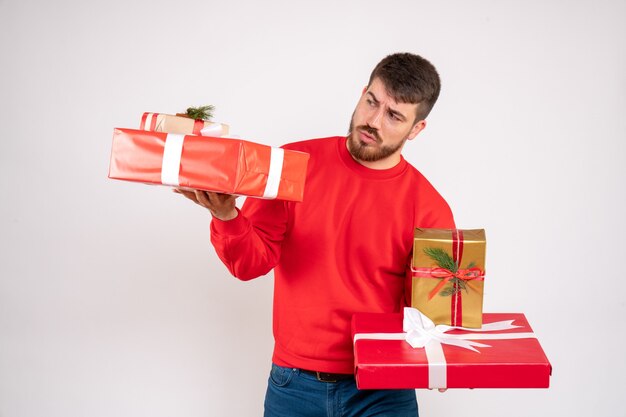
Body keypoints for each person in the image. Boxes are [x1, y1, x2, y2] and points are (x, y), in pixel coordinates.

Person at [175, 52, 455, 417]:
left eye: (394, 116)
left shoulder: (430, 208)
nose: (373, 120)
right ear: (362, 93)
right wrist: (226, 214)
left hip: (383, 389)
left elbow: (431, 313)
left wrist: (441, 353)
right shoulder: (294, 163)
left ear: (416, 129)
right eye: (371, 101)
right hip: (294, 384)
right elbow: (250, 264)